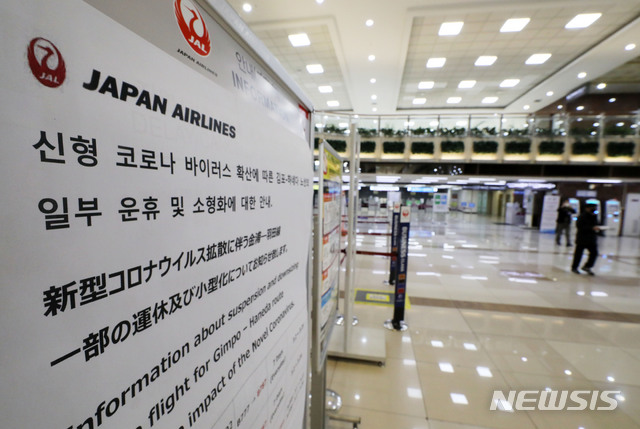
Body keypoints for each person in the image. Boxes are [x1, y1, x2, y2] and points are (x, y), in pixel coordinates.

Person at [571, 204, 600, 275]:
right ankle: (574, 267)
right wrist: (591, 228)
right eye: (592, 208)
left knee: (594, 253)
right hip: (582, 238)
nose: (594, 209)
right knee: (578, 254)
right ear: (587, 208)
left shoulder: (594, 216)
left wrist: (597, 228)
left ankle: (587, 266)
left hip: (592, 238)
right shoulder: (582, 216)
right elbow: (579, 226)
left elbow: (596, 224)